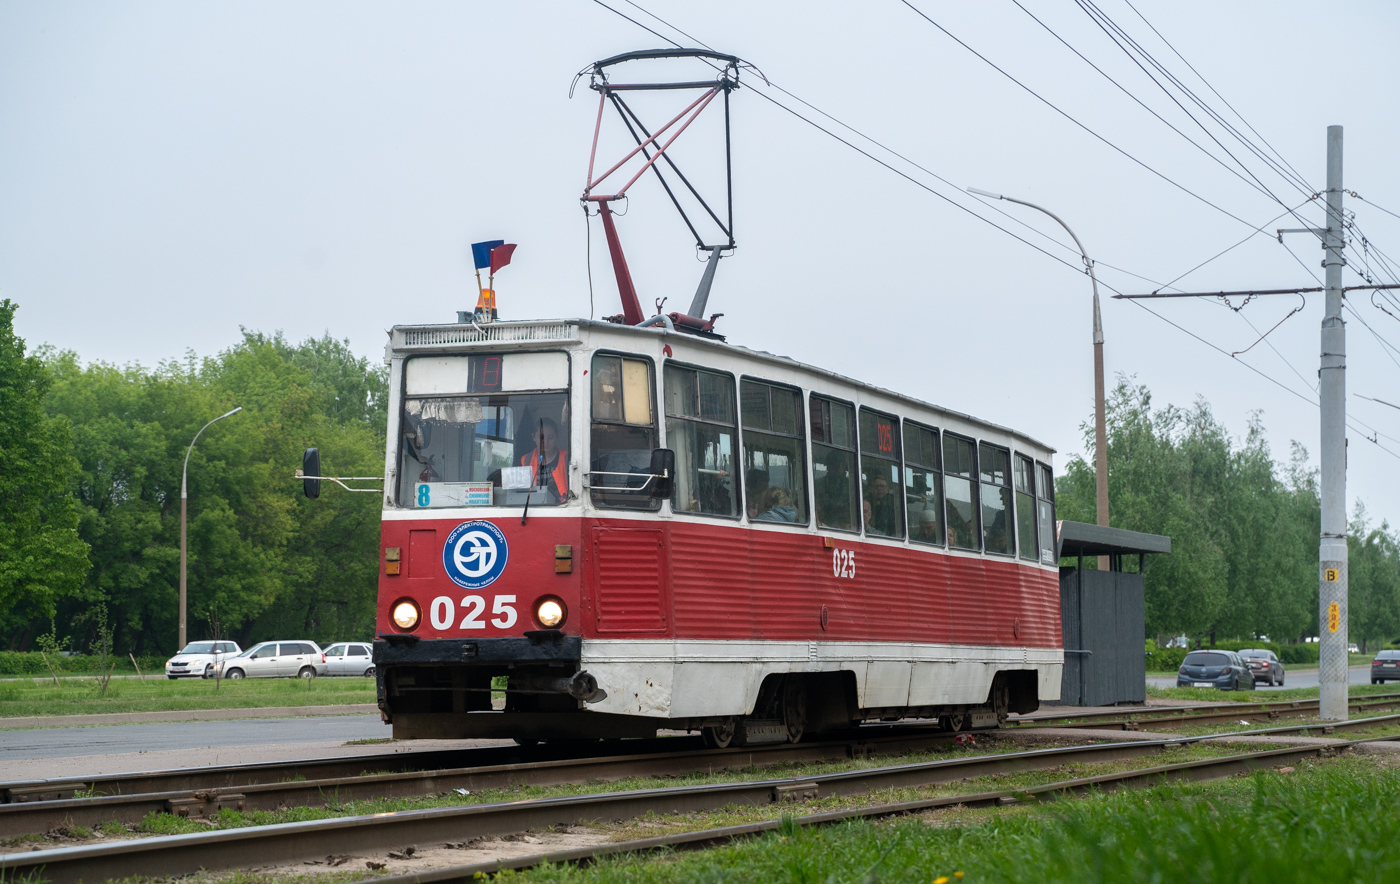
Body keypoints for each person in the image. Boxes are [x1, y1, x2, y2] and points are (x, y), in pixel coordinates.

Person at [519, 417, 568, 501]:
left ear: (557, 437)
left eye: (550, 437)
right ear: (534, 437)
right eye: (541, 437)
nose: (545, 442)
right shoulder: (526, 460)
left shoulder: (567, 457)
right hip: (534, 506)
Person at [815, 449, 855, 529]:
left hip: (847, 528)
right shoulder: (817, 484)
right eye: (829, 465)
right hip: (821, 526)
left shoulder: (852, 486)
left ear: (843, 465)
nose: (831, 468)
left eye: (835, 465)